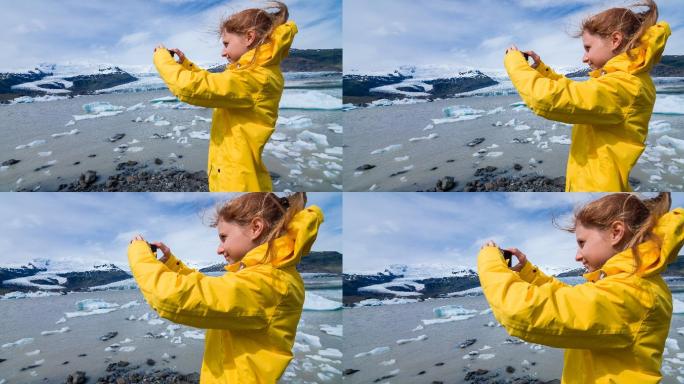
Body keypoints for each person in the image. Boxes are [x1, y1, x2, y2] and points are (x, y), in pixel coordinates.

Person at [478, 193, 684, 383]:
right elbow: (570, 298)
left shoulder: (633, 293)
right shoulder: (630, 284)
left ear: (616, 232)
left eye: (582, 242)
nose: (577, 255)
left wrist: (489, 261)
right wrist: (528, 274)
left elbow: (522, 312)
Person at [128, 192, 324, 383]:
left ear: (256, 227)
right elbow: (213, 290)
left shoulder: (269, 283)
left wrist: (139, 255)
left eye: (224, 237)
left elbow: (171, 297)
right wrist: (172, 264)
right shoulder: (265, 275)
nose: (219, 249)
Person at [504, 0, 670, 191]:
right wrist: (542, 71)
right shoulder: (621, 81)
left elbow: (549, 99)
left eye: (588, 47)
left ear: (615, 40)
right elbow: (576, 92)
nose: (584, 58)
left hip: (598, 188)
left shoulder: (626, 86)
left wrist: (514, 63)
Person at [153, 1, 296, 192]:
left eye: (226, 43)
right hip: (234, 171)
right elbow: (217, 84)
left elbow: (189, 88)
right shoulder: (254, 74)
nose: (223, 52)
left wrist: (161, 59)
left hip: (237, 180)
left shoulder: (255, 78)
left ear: (249, 37)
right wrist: (186, 65)